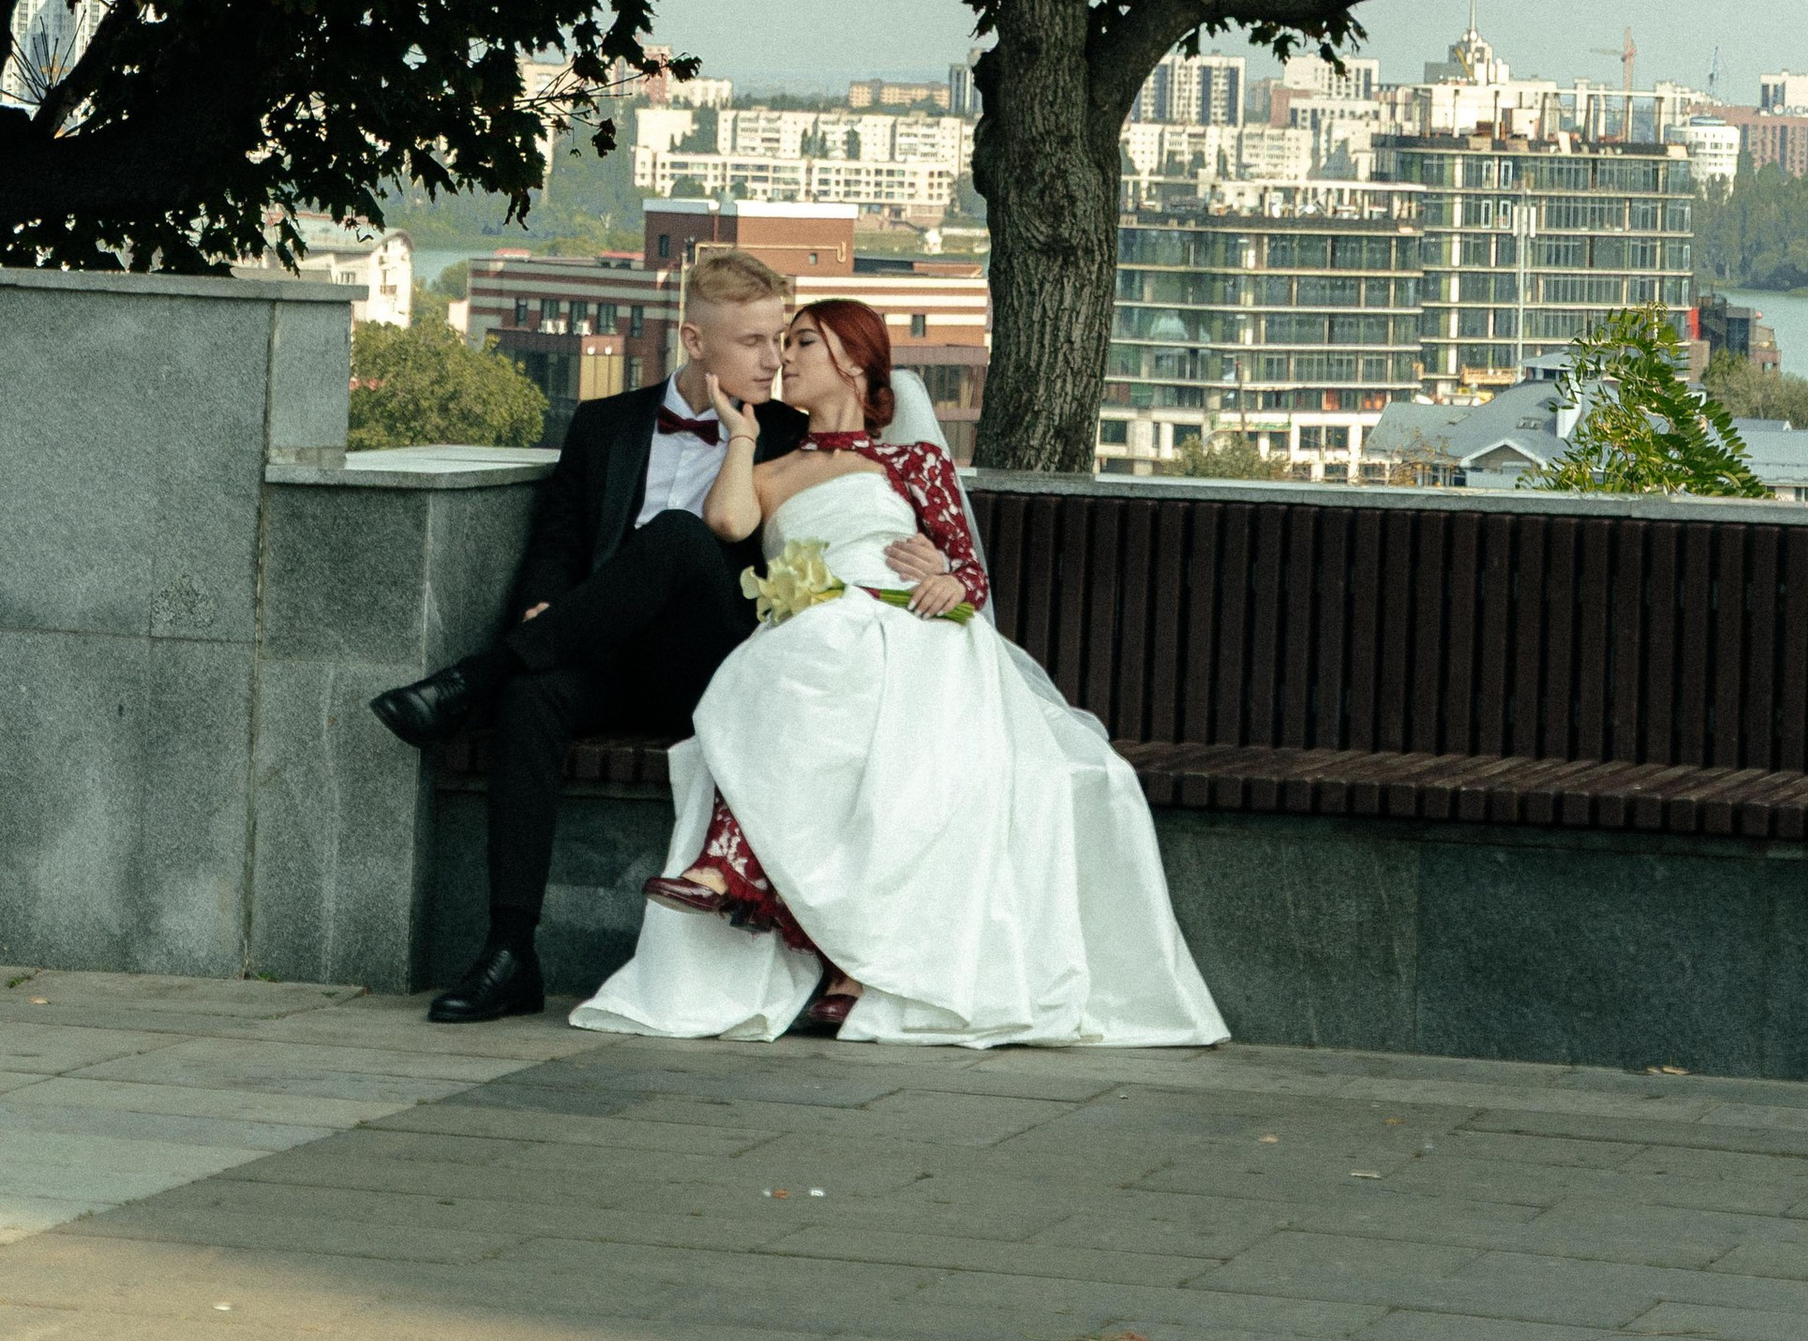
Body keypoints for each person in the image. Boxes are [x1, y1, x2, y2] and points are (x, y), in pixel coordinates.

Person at [571, 297, 1227, 1049]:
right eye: (782, 343)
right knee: (797, 664)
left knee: (847, 690)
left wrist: (951, 578)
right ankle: (796, 923)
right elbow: (726, 525)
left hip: (910, 625)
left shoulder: (911, 461)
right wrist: (743, 438)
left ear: (853, 360)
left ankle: (778, 905)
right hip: (816, 624)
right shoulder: (772, 468)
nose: (785, 356)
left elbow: (966, 568)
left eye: (803, 342)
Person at [368, 250, 953, 1023]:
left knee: (679, 535)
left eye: (782, 340)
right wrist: (544, 604)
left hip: (717, 667)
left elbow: (874, 498)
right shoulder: (605, 424)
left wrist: (937, 558)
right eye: (752, 342)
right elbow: (559, 539)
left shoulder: (790, 436)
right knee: (533, 697)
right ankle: (509, 953)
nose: (775, 360)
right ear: (693, 340)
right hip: (605, 654)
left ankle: (467, 682)